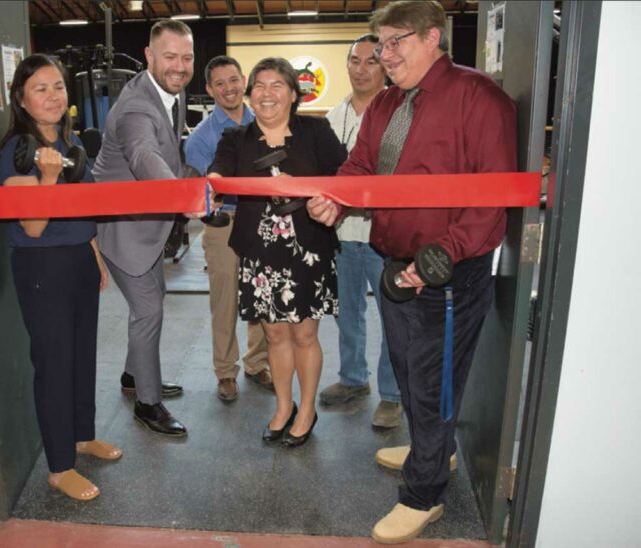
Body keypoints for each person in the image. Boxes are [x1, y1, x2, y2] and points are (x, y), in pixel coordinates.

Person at [307, 1, 516, 543]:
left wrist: (434, 262)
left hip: (446, 275)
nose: (385, 54)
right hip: (392, 262)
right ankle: (432, 447)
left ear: (432, 38)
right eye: (381, 44)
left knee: (433, 383)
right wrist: (336, 197)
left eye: (395, 41)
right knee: (408, 372)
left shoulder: (479, 98)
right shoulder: (386, 104)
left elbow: (491, 201)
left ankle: (424, 494)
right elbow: (360, 167)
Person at [0, 54, 122, 502]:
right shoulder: (17, 151)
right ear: (22, 100)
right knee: (54, 363)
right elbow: (32, 226)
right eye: (41, 89)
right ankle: (59, 466)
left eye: (59, 87)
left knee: (82, 353)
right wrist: (47, 179)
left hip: (79, 261)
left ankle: (82, 435)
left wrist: (95, 254)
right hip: (42, 265)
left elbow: (81, 210)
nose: (53, 96)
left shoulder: (72, 145)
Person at [208, 57, 348, 447]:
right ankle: (284, 406)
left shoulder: (316, 131)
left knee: (304, 334)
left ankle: (307, 409)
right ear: (250, 94)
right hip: (260, 251)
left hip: (308, 250)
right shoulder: (236, 138)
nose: (266, 94)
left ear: (292, 93)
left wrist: (301, 185)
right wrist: (214, 185)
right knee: (274, 335)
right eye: (260, 86)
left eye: (276, 85)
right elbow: (218, 171)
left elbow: (344, 178)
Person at [93, 20, 193, 437]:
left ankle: (134, 378)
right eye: (169, 57)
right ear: (150, 56)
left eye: (187, 58)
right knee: (148, 310)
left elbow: (172, 150)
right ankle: (147, 405)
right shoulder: (136, 107)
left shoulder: (172, 92)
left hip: (147, 224)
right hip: (121, 229)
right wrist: (184, 196)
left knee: (156, 298)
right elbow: (144, 154)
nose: (179, 66)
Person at [319, 34, 403, 429]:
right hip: (342, 233)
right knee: (347, 312)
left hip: (384, 234)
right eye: (355, 60)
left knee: (394, 316)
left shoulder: (400, 112)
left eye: (371, 61)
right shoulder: (336, 116)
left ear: (385, 65)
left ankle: (392, 394)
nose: (361, 69)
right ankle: (353, 379)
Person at [184, 55, 272, 402]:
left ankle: (257, 362)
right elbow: (198, 192)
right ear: (209, 89)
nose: (229, 88)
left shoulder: (265, 121)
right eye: (219, 83)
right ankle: (225, 371)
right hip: (224, 224)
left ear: (243, 80)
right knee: (225, 301)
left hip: (263, 220)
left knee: (262, 295)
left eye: (233, 80)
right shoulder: (202, 139)